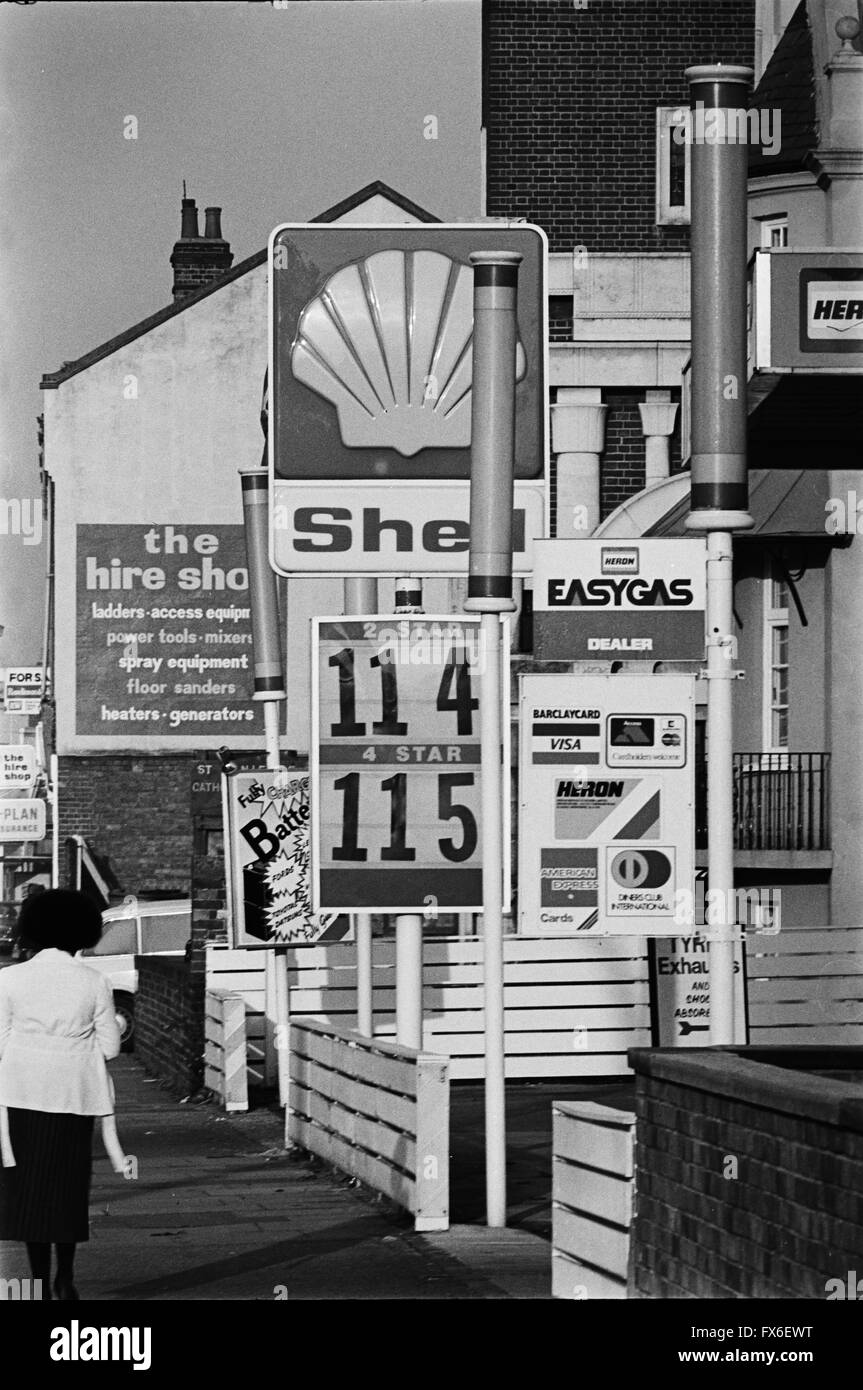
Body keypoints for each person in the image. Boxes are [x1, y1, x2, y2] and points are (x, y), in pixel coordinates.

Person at [0, 889, 123, 1300]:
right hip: (76, 1097)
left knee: (29, 1192)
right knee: (68, 1190)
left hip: (21, 1096)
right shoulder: (95, 981)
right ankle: (66, 1278)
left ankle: (34, 1281)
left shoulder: (8, 979)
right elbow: (110, 1047)